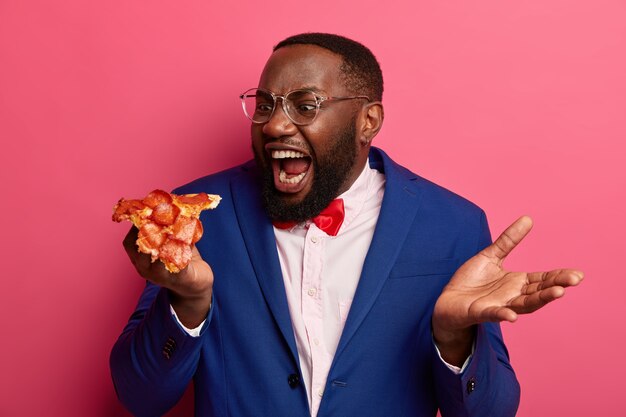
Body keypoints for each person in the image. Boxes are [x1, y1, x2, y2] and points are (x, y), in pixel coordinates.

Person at [110, 33, 583, 417]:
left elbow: (490, 414)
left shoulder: (452, 225)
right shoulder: (194, 215)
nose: (275, 125)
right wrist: (187, 302)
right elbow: (141, 397)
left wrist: (454, 337)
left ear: (367, 120)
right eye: (265, 104)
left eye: (305, 104)